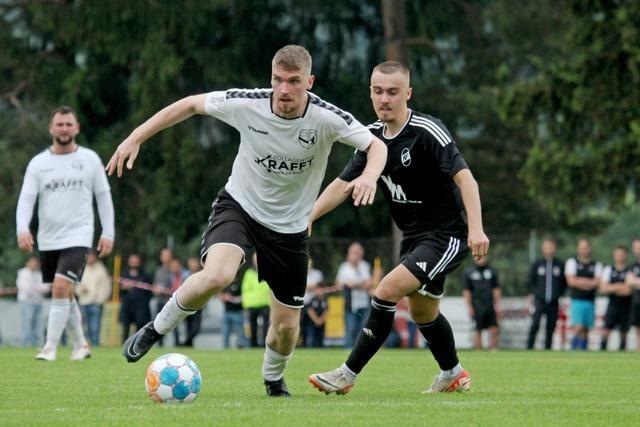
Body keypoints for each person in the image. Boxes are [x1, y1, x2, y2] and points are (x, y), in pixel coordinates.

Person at [107, 45, 387, 397]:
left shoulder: (327, 118)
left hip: (290, 228)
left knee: (285, 327)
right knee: (219, 275)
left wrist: (370, 177)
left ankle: (272, 378)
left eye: (294, 82)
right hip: (239, 206)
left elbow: (377, 146)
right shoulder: (247, 103)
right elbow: (191, 104)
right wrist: (135, 137)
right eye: (278, 80)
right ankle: (155, 329)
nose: (284, 90)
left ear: (309, 82)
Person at [308, 61, 488, 395]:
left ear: (408, 93)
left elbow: (466, 179)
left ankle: (346, 374)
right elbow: (341, 185)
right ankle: (453, 372)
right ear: (371, 93)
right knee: (423, 313)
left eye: (393, 92)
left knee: (386, 291)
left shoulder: (427, 131)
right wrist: (306, 218)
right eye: (378, 91)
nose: (384, 98)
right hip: (414, 238)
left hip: (445, 236)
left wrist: (476, 229)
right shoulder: (371, 138)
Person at [16, 106, 115, 361]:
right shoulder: (38, 163)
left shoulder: (90, 159)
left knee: (60, 287)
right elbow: (27, 199)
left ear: (77, 128)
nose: (64, 129)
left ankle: (49, 347)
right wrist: (22, 228)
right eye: (59, 124)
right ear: (51, 128)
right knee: (65, 292)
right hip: (49, 239)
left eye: (68, 124)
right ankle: (81, 345)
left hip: (79, 236)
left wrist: (108, 233)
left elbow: (103, 197)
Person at [526, 238, 566, 350]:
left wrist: (557, 294)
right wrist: (536, 294)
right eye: (547, 247)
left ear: (555, 248)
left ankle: (548, 349)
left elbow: (564, 283)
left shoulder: (560, 265)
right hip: (539, 301)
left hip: (553, 302)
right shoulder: (537, 264)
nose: (549, 249)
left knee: (551, 327)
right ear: (543, 248)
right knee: (535, 324)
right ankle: (529, 348)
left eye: (551, 247)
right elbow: (530, 281)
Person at [565, 238, 602, 350]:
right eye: (582, 247)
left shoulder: (597, 264)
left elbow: (597, 282)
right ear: (578, 248)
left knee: (586, 328)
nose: (584, 250)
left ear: (589, 249)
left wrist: (579, 281)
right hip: (577, 300)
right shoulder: (572, 262)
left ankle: (583, 350)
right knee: (578, 326)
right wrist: (589, 283)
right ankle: (572, 348)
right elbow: (571, 281)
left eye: (586, 247)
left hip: (590, 300)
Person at [335, 242, 372, 347]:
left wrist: (354, 284)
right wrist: (359, 284)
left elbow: (369, 283)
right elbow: (338, 284)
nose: (356, 254)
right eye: (354, 252)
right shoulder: (344, 267)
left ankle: (361, 352)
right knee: (350, 330)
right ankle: (347, 354)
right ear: (349, 253)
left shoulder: (365, 266)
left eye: (358, 252)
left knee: (363, 330)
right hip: (350, 305)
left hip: (364, 304)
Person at [462, 254, 501, 350]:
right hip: (477, 305)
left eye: (483, 256)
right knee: (478, 330)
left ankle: (493, 350)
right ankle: (479, 351)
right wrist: (469, 306)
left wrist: (497, 305)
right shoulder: (469, 272)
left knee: (494, 329)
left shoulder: (492, 271)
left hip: (490, 304)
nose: (481, 259)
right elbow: (467, 291)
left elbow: (496, 289)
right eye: (478, 256)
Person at [599, 245, 632, 351]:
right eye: (618, 255)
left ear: (626, 256)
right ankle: (602, 349)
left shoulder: (630, 270)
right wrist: (620, 286)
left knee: (624, 331)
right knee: (606, 329)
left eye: (622, 255)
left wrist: (612, 287)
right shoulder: (608, 269)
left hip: (627, 305)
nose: (620, 257)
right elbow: (603, 288)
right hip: (612, 304)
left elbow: (629, 290)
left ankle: (622, 351)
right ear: (614, 256)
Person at [76, 250, 112, 346]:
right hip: (83, 302)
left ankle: (95, 346)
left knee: (95, 327)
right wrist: (80, 291)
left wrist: (100, 300)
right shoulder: (81, 269)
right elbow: (76, 285)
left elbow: (106, 287)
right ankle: (83, 346)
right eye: (88, 256)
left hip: (96, 303)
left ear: (96, 257)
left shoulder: (101, 269)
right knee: (83, 327)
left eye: (92, 256)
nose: (90, 258)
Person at [119, 254, 153, 343]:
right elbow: (119, 289)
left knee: (140, 325)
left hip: (140, 305)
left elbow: (149, 291)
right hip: (127, 304)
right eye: (132, 261)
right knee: (126, 325)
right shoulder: (124, 274)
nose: (134, 263)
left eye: (136, 261)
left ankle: (137, 344)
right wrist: (123, 287)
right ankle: (124, 343)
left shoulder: (145, 275)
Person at [16, 256, 49, 347]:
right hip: (27, 302)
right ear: (27, 263)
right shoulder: (23, 273)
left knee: (38, 326)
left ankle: (37, 345)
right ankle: (25, 345)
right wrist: (39, 289)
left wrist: (35, 289)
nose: (34, 264)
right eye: (32, 262)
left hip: (38, 302)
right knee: (27, 325)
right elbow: (26, 289)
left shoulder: (39, 274)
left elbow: (46, 288)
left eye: (36, 262)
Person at [241, 253, 271, 348]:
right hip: (252, 305)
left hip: (266, 303)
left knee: (266, 326)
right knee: (253, 326)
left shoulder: (269, 271)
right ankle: (253, 344)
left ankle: (265, 345)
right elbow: (245, 290)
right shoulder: (249, 273)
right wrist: (246, 304)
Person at [152, 247, 173, 346]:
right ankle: (159, 344)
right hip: (160, 300)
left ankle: (176, 344)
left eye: (168, 256)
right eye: (164, 256)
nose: (166, 258)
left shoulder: (175, 270)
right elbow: (154, 285)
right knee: (158, 323)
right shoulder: (158, 271)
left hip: (172, 301)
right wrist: (156, 290)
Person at [181, 257, 204, 347]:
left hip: (199, 305)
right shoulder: (185, 275)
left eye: (195, 263)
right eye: (192, 263)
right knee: (189, 328)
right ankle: (189, 345)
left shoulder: (202, 275)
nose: (194, 265)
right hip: (187, 305)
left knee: (196, 329)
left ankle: (184, 343)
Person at [301, 257, 323, 347]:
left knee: (316, 328)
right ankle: (303, 346)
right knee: (303, 329)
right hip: (301, 305)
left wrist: (305, 287)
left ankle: (317, 346)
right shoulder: (297, 273)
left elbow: (320, 287)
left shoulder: (318, 274)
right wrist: (309, 287)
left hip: (314, 306)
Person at [220, 275, 247, 349]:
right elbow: (221, 295)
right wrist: (223, 297)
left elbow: (243, 297)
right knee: (225, 333)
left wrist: (232, 299)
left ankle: (242, 347)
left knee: (240, 333)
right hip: (226, 312)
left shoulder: (240, 283)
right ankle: (225, 348)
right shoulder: (226, 284)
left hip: (237, 312)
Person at [626, 238, 640, 351]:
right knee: (638, 329)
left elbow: (633, 281)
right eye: (636, 248)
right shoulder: (633, 266)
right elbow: (629, 282)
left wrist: (636, 281)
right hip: (637, 301)